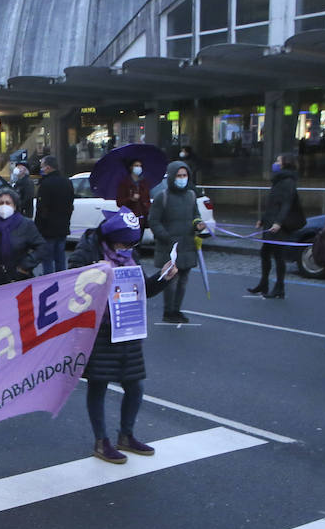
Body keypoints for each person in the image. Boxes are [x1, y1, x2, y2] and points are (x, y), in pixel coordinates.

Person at [69, 210, 178, 463]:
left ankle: (126, 435)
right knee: (98, 384)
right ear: (110, 238)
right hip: (100, 330)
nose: (129, 248)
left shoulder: (130, 254)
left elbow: (141, 291)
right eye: (124, 243)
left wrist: (162, 278)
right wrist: (97, 274)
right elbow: (73, 287)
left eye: (133, 244)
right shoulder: (87, 252)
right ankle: (101, 441)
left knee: (135, 385)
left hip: (128, 327)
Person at [148, 160, 206, 323]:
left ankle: (177, 310)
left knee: (184, 281)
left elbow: (195, 215)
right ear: (172, 177)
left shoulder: (191, 195)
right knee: (171, 280)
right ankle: (169, 311)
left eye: (185, 175)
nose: (182, 178)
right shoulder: (162, 197)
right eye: (179, 175)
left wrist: (198, 224)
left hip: (187, 245)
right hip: (169, 247)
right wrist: (165, 236)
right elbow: (154, 221)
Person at [249, 154, 306, 299]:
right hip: (270, 221)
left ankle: (279, 287)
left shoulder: (288, 181)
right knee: (265, 253)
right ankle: (264, 283)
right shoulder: (279, 180)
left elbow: (286, 204)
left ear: (285, 163)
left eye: (278, 161)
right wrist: (262, 219)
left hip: (278, 225)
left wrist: (278, 222)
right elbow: (272, 203)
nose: (276, 163)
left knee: (278, 256)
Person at [34, 155, 73, 274]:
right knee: (60, 257)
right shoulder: (67, 182)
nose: (41, 169)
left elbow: (42, 208)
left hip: (48, 229)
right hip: (63, 226)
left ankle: (49, 281)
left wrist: (38, 227)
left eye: (42, 167)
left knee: (47, 258)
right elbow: (70, 205)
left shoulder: (46, 184)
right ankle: (61, 279)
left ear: (48, 168)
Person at [115, 158, 152, 224]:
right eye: (136, 166)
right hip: (130, 218)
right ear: (131, 167)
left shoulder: (144, 183)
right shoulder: (124, 183)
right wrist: (131, 199)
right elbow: (119, 203)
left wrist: (148, 209)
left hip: (143, 217)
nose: (139, 168)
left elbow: (147, 199)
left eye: (140, 166)